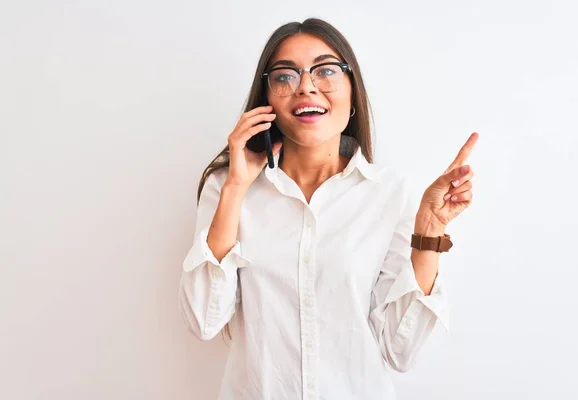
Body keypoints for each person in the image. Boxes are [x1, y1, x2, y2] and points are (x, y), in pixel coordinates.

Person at [178, 17, 478, 400]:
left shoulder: (390, 194)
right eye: (285, 76)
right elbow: (204, 320)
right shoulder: (227, 188)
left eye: (326, 71)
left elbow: (401, 350)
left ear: (352, 94)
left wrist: (430, 231)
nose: (306, 86)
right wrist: (236, 186)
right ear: (267, 98)